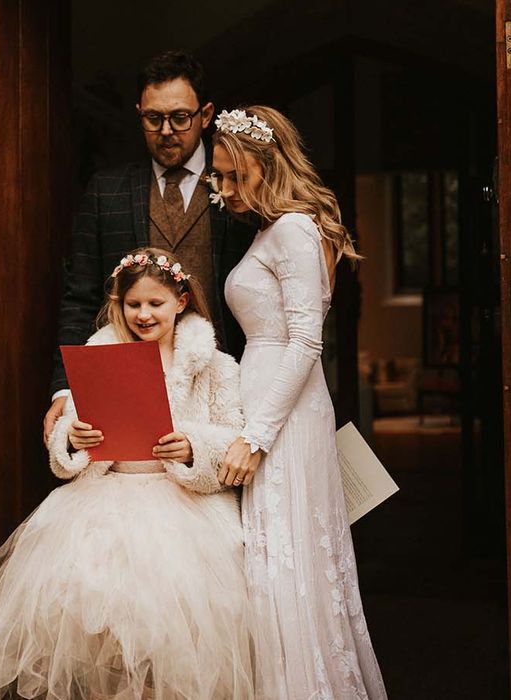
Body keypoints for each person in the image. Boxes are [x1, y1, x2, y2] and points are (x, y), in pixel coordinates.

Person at [0, 248, 255, 699]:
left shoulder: (216, 367)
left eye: (155, 304)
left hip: (184, 517)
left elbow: (234, 440)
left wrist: (193, 448)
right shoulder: (101, 356)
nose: (143, 314)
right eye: (133, 304)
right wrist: (73, 438)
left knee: (170, 637)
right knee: (103, 639)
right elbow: (70, 433)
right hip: (104, 506)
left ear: (181, 301)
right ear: (118, 305)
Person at [211, 107, 388, 699]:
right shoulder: (271, 229)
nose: (226, 190)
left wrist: (256, 436)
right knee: (271, 560)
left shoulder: (294, 229)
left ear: (266, 164)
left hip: (284, 414)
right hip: (269, 399)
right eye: (220, 176)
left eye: (236, 176)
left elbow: (306, 341)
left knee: (285, 560)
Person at [43, 50, 253, 444]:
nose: (167, 131)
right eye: (153, 119)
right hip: (127, 390)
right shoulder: (107, 191)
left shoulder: (239, 189)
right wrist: (65, 388)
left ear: (206, 115)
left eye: (180, 117)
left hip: (220, 391)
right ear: (139, 113)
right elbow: (80, 298)